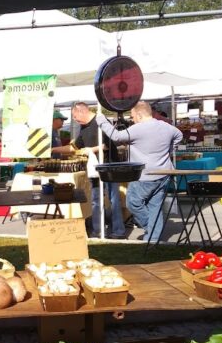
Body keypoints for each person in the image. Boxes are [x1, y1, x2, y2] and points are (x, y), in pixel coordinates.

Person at [95, 101, 183, 242]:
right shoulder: (167, 127)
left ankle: (152, 229)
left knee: (133, 203)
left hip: (144, 175)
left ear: (140, 115)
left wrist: (101, 120)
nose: (132, 119)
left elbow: (116, 136)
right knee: (155, 206)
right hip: (165, 173)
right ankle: (153, 239)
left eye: (133, 116)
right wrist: (168, 150)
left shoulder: (139, 128)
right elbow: (179, 136)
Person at [51, 102, 125, 239]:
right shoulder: (83, 127)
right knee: (96, 200)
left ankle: (118, 231)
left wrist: (90, 150)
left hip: (109, 166)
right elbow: (75, 147)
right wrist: (53, 150)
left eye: (74, 116)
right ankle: (97, 231)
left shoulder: (101, 121)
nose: (74, 119)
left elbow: (108, 144)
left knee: (114, 199)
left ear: (81, 111)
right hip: (94, 168)